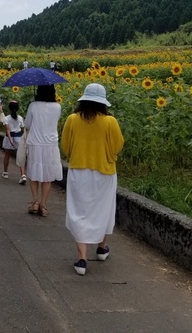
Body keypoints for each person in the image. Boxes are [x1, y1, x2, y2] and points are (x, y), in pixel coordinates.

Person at [61, 83, 124, 276]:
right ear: (103, 103)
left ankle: (82, 259)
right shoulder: (110, 121)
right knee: (104, 210)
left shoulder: (72, 119)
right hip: (104, 172)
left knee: (79, 211)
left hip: (79, 171)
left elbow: (65, 145)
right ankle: (102, 248)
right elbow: (117, 146)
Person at [24, 84, 63, 217]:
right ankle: (43, 205)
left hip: (35, 142)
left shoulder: (33, 106)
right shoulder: (57, 107)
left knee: (34, 173)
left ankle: (34, 202)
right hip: (51, 144)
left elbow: (27, 124)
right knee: (47, 176)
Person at [1, 100, 27, 184]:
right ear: (18, 109)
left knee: (7, 155)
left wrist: (10, 139)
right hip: (18, 137)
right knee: (20, 157)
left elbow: (7, 129)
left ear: (9, 109)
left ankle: (5, 172)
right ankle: (22, 175)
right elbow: (23, 129)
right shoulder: (20, 118)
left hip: (9, 138)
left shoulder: (6, 118)